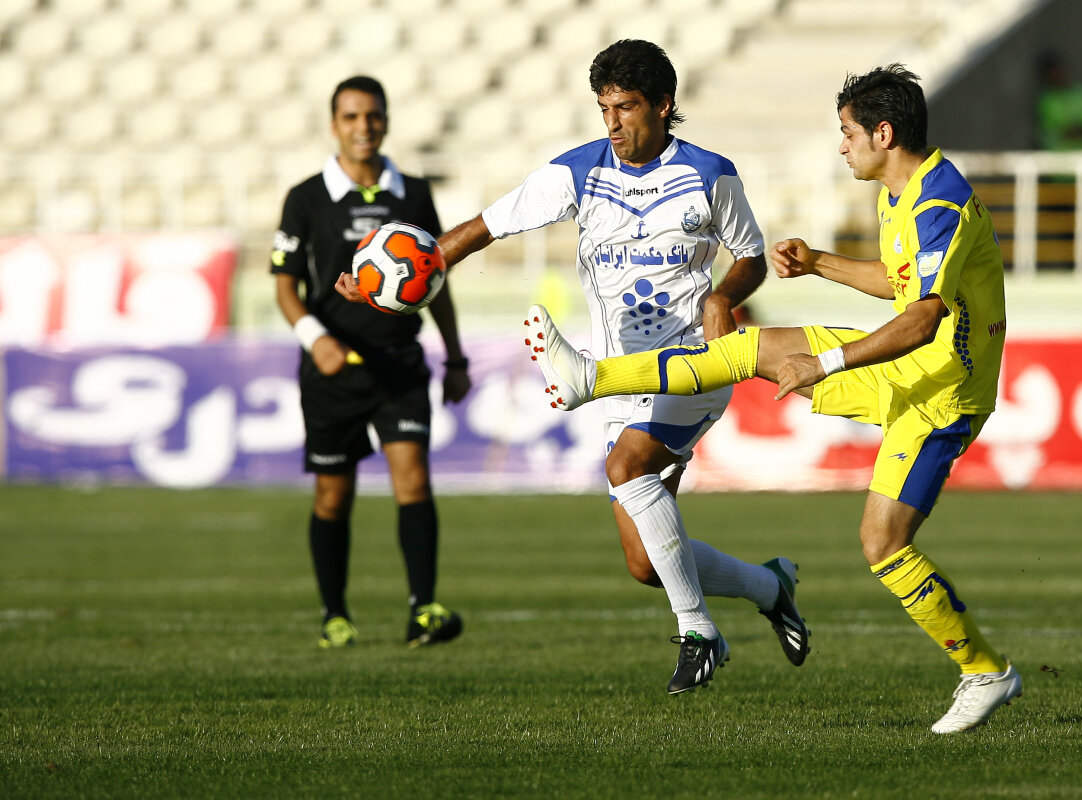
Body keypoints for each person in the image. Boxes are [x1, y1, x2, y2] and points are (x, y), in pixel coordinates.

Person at [523, 64, 1021, 733]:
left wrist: (826, 363)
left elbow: (922, 319)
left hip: (942, 393)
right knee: (751, 348)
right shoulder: (900, 192)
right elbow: (899, 282)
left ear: (883, 133)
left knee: (882, 543)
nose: (841, 146)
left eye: (848, 133)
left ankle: (985, 671)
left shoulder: (939, 204)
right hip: (906, 364)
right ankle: (592, 378)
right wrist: (818, 262)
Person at [339, 40, 810, 694]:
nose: (613, 123)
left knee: (626, 468)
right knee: (645, 562)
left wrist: (721, 297)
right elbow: (484, 227)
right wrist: (395, 278)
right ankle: (770, 586)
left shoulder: (710, 173)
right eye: (604, 109)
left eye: (626, 108)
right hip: (616, 381)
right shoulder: (579, 171)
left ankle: (699, 633)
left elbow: (751, 256)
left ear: (663, 105)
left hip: (694, 366)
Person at [272, 75, 470, 649]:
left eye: (373, 116)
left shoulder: (412, 193)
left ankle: (422, 610)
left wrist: (455, 357)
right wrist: (317, 339)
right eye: (352, 117)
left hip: (399, 362)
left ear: (386, 121)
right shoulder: (306, 198)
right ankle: (335, 615)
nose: (364, 127)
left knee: (414, 479)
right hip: (333, 369)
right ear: (334, 125)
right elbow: (285, 287)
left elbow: (435, 282)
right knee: (333, 495)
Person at [1035, 52, 1082, 151]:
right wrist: (1080, 131)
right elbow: (1053, 134)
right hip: (1059, 157)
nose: (1058, 77)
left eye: (1059, 72)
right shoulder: (1046, 101)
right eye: (1053, 75)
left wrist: (1078, 131)